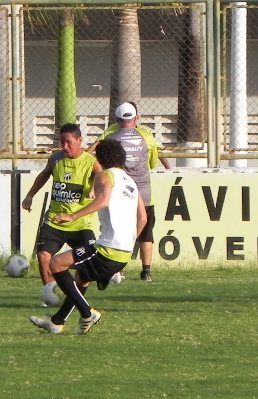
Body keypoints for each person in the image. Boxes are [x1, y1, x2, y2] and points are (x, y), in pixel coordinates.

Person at [30, 139, 147, 335]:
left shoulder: (105, 176)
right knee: (81, 279)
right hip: (124, 251)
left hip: (108, 248)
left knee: (56, 264)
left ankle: (87, 313)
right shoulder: (131, 182)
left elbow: (102, 201)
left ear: (100, 158)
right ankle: (57, 322)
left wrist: (72, 215)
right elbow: (142, 217)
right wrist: (128, 240)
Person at [88, 102, 170, 282]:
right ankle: (146, 271)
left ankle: (118, 270)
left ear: (117, 119)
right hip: (144, 192)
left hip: (121, 193)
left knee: (116, 229)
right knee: (147, 233)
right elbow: (153, 162)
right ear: (136, 118)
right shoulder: (146, 135)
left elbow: (95, 149)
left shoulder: (111, 134)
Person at [22, 123, 99, 304]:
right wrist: (30, 195)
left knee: (87, 263)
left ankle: (75, 297)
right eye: (62, 143)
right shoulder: (56, 159)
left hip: (80, 222)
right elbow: (44, 175)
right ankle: (50, 296)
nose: (65, 147)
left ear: (80, 141)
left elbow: (101, 174)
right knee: (43, 257)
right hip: (55, 219)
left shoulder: (90, 162)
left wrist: (94, 186)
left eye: (69, 142)